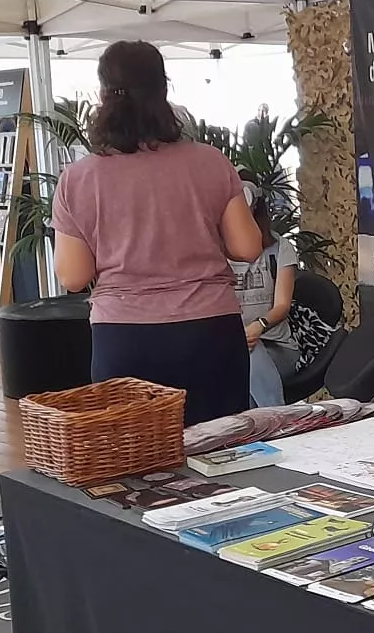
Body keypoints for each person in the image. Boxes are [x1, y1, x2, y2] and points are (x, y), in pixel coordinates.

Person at [51, 41, 263, 426]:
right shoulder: (210, 162)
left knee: (135, 464)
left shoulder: (78, 179)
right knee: (221, 457)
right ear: (163, 91)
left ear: (102, 95)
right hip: (209, 332)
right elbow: (248, 247)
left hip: (125, 337)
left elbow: (73, 276)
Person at [233, 180, 335, 406]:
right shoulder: (214, 251)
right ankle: (275, 429)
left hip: (277, 347)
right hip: (229, 348)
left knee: (249, 351)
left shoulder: (280, 248)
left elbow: (282, 306)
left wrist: (257, 327)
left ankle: (279, 419)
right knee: (242, 383)